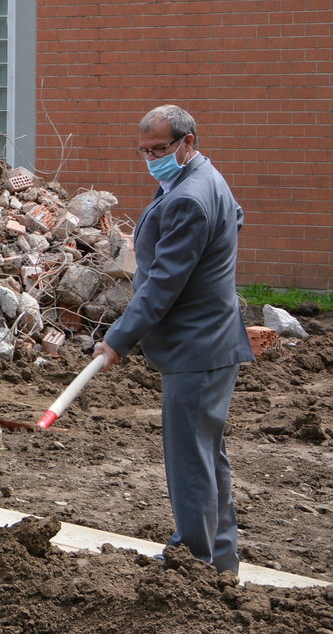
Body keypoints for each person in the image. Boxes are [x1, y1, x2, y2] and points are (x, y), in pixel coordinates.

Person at [94, 105, 251, 575]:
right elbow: (235, 217)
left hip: (197, 347)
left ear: (189, 141)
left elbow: (162, 283)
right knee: (205, 454)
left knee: (190, 461)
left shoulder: (189, 197)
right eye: (143, 151)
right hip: (211, 341)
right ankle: (218, 560)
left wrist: (119, 338)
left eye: (159, 149)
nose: (151, 159)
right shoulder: (204, 179)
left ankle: (194, 559)